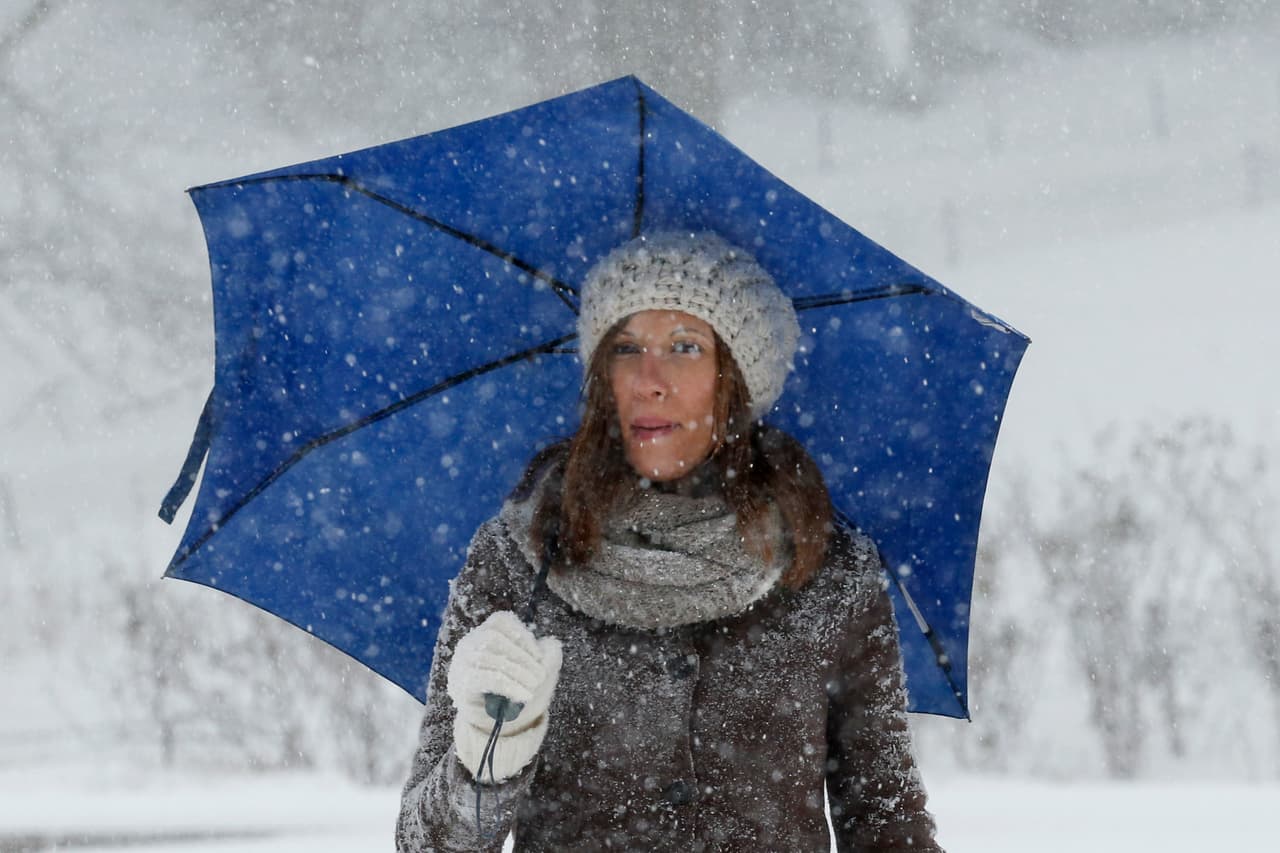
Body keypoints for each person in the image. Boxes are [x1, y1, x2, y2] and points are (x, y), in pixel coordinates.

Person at [396, 232, 943, 852]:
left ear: (735, 379)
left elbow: (885, 818)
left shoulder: (828, 567)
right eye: (626, 348)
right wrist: (483, 764)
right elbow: (426, 845)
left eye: (685, 347)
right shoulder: (518, 557)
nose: (648, 380)